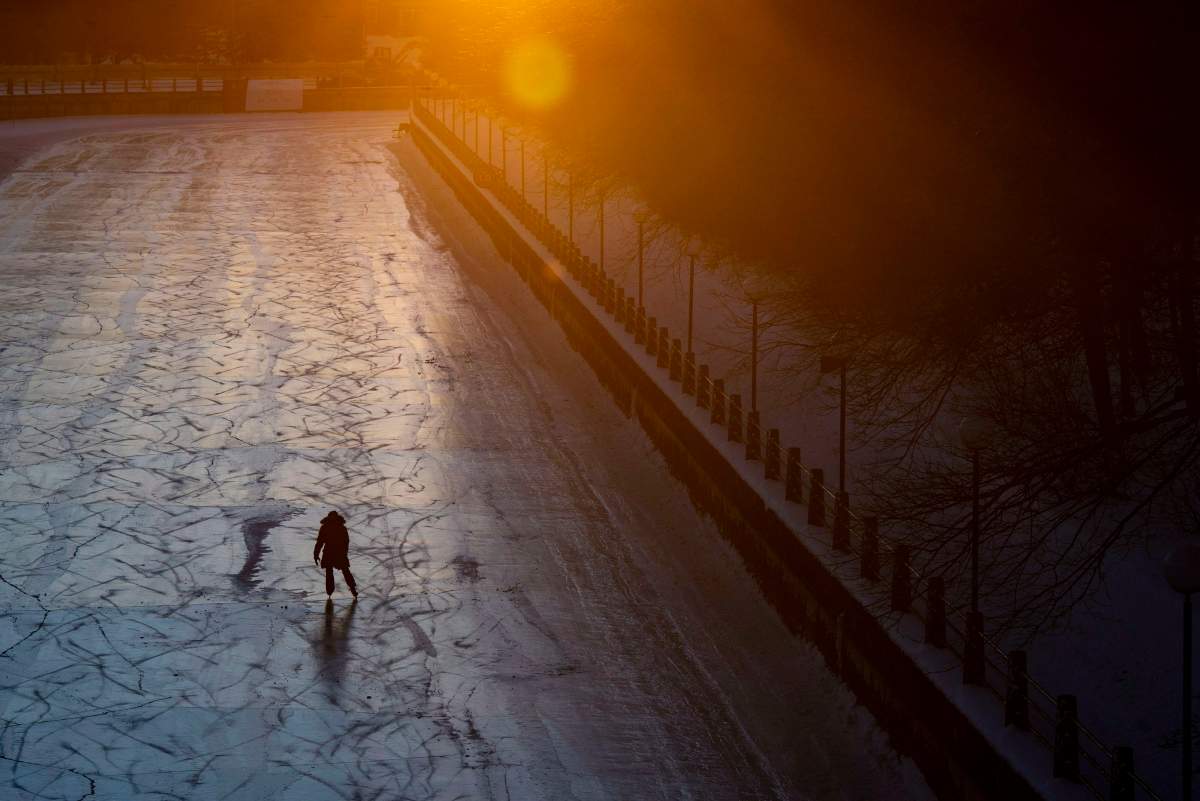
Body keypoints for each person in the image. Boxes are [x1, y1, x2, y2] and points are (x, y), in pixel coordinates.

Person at [314, 511, 358, 598]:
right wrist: (344, 553)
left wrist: (316, 554)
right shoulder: (341, 527)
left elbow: (320, 542)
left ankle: (330, 592)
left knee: (329, 572)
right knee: (345, 571)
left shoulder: (325, 527)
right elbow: (346, 542)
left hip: (329, 552)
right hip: (339, 552)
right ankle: (352, 589)